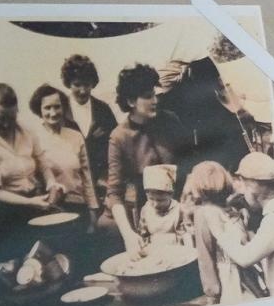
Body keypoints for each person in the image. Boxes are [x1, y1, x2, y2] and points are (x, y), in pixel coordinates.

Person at [106, 64, 187, 256]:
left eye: (155, 94)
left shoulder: (170, 120)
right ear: (131, 101)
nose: (155, 100)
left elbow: (190, 163)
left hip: (183, 209)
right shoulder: (119, 137)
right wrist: (128, 235)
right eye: (148, 96)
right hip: (151, 217)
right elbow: (114, 193)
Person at [210, 152, 274, 298]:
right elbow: (266, 246)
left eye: (243, 184)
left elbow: (245, 258)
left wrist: (219, 231)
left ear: (252, 187)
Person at [0, 84, 58, 213]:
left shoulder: (27, 132)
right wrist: (28, 202)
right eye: (1, 118)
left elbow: (43, 164)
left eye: (12, 118)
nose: (6, 124)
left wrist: (52, 184)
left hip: (35, 200)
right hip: (4, 210)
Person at [183, 162, 251, 303]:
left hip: (225, 278)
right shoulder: (231, 210)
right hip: (246, 278)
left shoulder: (203, 213)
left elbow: (205, 257)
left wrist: (212, 294)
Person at [28, 84, 98, 219]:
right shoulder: (33, 138)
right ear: (39, 109)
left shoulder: (76, 136)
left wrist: (93, 209)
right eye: (47, 108)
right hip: (49, 209)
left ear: (63, 107)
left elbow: (86, 176)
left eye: (57, 106)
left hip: (79, 207)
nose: (53, 112)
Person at [60, 55, 117, 206]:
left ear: (93, 83)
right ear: (68, 83)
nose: (83, 90)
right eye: (77, 84)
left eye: (87, 84)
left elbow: (115, 147)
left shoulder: (103, 110)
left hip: (101, 185)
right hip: (70, 187)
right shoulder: (60, 110)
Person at [137, 165, 185, 247]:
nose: (155, 204)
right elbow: (143, 234)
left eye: (160, 200)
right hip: (153, 251)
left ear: (171, 195)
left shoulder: (178, 210)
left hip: (174, 251)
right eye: (151, 199)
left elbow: (183, 237)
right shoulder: (146, 210)